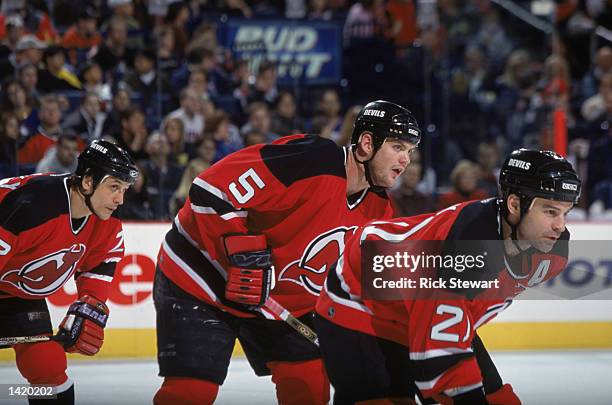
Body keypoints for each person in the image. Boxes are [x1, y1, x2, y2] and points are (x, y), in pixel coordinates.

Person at [152, 100, 422, 405]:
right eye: (398, 146)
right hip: (202, 281)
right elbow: (211, 191)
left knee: (308, 388)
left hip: (278, 305)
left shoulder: (379, 211)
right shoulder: (312, 159)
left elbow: (363, 288)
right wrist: (243, 254)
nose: (406, 160)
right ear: (366, 143)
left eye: (410, 152)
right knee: (191, 392)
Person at [315, 149, 581, 404]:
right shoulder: (468, 246)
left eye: (564, 213)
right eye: (549, 211)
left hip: (417, 305)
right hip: (360, 303)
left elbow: (453, 318)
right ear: (514, 204)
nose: (560, 226)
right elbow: (438, 359)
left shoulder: (551, 253)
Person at [0, 140, 138, 405]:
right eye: (114, 187)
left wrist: (88, 306)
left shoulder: (106, 223)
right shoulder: (33, 206)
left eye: (124, 190)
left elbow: (99, 265)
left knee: (47, 365)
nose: (120, 199)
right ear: (87, 182)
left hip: (15, 292)